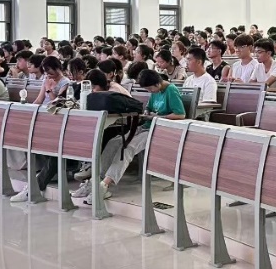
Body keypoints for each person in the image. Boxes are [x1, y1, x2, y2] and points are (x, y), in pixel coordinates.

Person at [65, 70, 186, 204]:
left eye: (150, 89)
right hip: (146, 126)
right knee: (114, 142)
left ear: (157, 83)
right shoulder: (155, 90)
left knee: (128, 148)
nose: (150, 92)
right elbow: (149, 107)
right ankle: (95, 181)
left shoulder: (171, 90)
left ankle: (104, 185)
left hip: (160, 130)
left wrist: (157, 117)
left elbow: (180, 115)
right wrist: (147, 112)